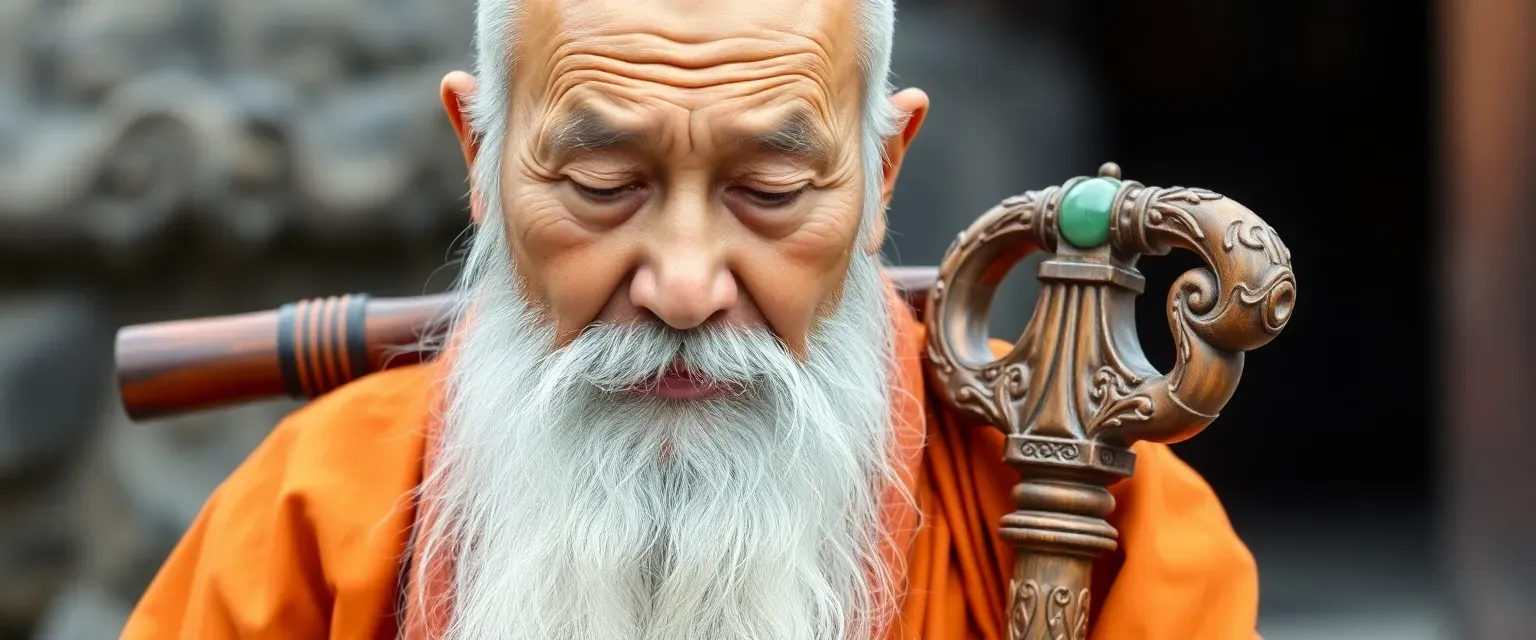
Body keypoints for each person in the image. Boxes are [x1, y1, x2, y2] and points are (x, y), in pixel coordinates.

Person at [121, 0, 1260, 637]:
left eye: (768, 193)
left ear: (883, 175)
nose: (680, 284)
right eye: (603, 186)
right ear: (481, 159)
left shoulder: (1092, 522)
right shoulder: (320, 521)